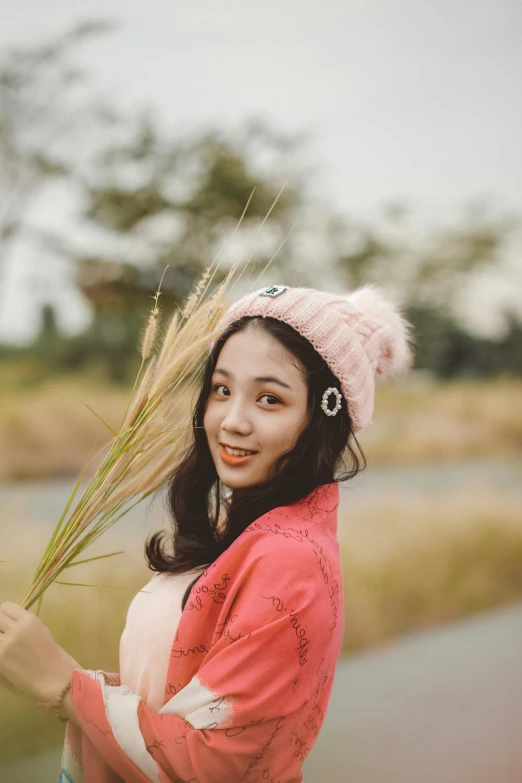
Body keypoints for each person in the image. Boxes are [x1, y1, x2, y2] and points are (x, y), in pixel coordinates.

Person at [0, 282, 414, 782]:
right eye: (222, 389)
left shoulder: (288, 558)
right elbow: (175, 705)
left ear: (323, 420)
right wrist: (70, 683)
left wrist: (64, 684)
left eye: (269, 399)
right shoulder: (244, 533)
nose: (232, 421)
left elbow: (214, 763)